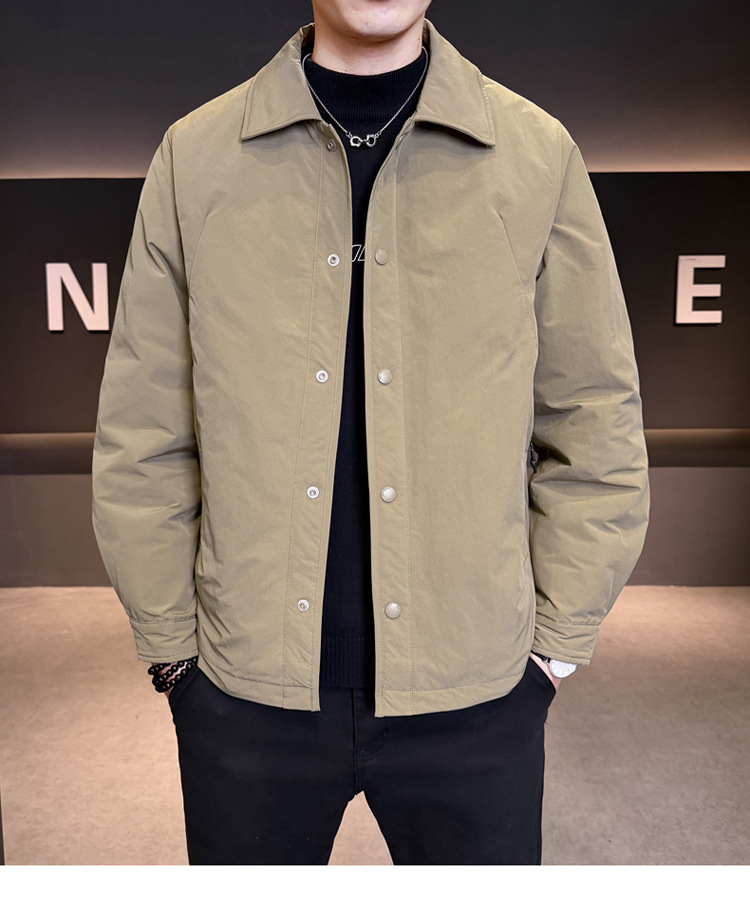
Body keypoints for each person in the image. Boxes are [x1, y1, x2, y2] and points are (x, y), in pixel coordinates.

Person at [92, 0, 649, 865]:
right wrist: (173, 654)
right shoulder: (195, 157)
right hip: (243, 698)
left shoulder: (537, 154)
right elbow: (143, 428)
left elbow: (595, 416)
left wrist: (553, 648)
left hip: (479, 696)